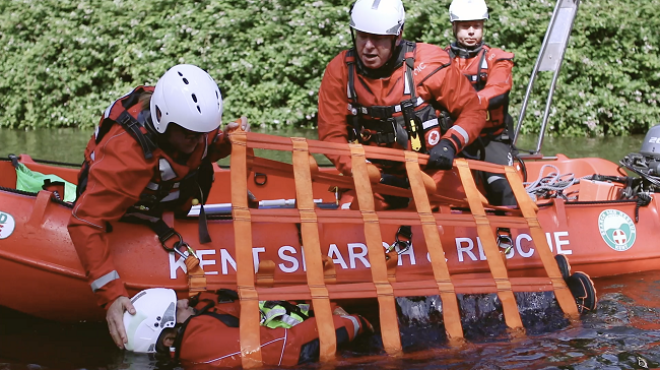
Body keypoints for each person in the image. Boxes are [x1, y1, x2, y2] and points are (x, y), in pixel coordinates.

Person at [67, 64, 249, 349]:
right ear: (163, 121)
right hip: (128, 204)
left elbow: (204, 149)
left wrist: (225, 141)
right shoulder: (126, 156)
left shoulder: (188, 125)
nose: (197, 139)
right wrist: (111, 296)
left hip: (165, 199)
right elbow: (84, 222)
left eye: (203, 132)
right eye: (190, 134)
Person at [317, 0, 487, 210]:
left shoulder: (430, 64)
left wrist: (450, 144)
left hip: (431, 170)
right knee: (352, 214)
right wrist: (356, 167)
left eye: (378, 38)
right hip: (373, 175)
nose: (368, 46)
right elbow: (330, 132)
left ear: (397, 35)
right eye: (362, 36)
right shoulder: (339, 70)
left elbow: (474, 111)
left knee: (458, 212)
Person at [123, 288, 371, 367]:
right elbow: (292, 347)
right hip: (348, 341)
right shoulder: (203, 345)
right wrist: (357, 322)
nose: (185, 301)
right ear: (168, 338)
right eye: (176, 307)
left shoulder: (199, 329)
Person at [445, 0, 516, 206]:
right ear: (455, 27)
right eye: (465, 26)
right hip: (453, 135)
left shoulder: (497, 59)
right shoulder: (441, 59)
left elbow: (498, 90)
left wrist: (469, 102)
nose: (471, 32)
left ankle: (509, 232)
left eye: (476, 26)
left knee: (499, 183)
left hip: (489, 137)